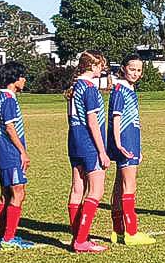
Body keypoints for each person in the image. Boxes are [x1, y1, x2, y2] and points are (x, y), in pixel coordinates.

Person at [65, 51, 112, 252]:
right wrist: (102, 151)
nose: (102, 70)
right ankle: (82, 240)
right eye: (101, 66)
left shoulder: (75, 88)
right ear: (92, 66)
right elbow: (93, 122)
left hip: (74, 142)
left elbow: (70, 118)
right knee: (96, 190)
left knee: (77, 190)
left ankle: (78, 235)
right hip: (90, 144)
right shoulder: (90, 89)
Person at [108, 55, 156, 245]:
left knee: (120, 185)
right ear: (123, 68)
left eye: (139, 70)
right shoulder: (120, 89)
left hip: (131, 141)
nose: (136, 73)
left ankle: (117, 231)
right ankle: (131, 232)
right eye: (132, 69)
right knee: (129, 185)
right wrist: (119, 144)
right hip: (126, 141)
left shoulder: (128, 89)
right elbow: (116, 118)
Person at [0, 61, 34, 249]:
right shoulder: (8, 99)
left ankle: (3, 235)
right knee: (18, 192)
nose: (24, 80)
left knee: (6, 194)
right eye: (22, 76)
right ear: (14, 79)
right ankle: (8, 238)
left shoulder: (2, 98)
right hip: (10, 153)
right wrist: (22, 151)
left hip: (1, 152)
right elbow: (9, 127)